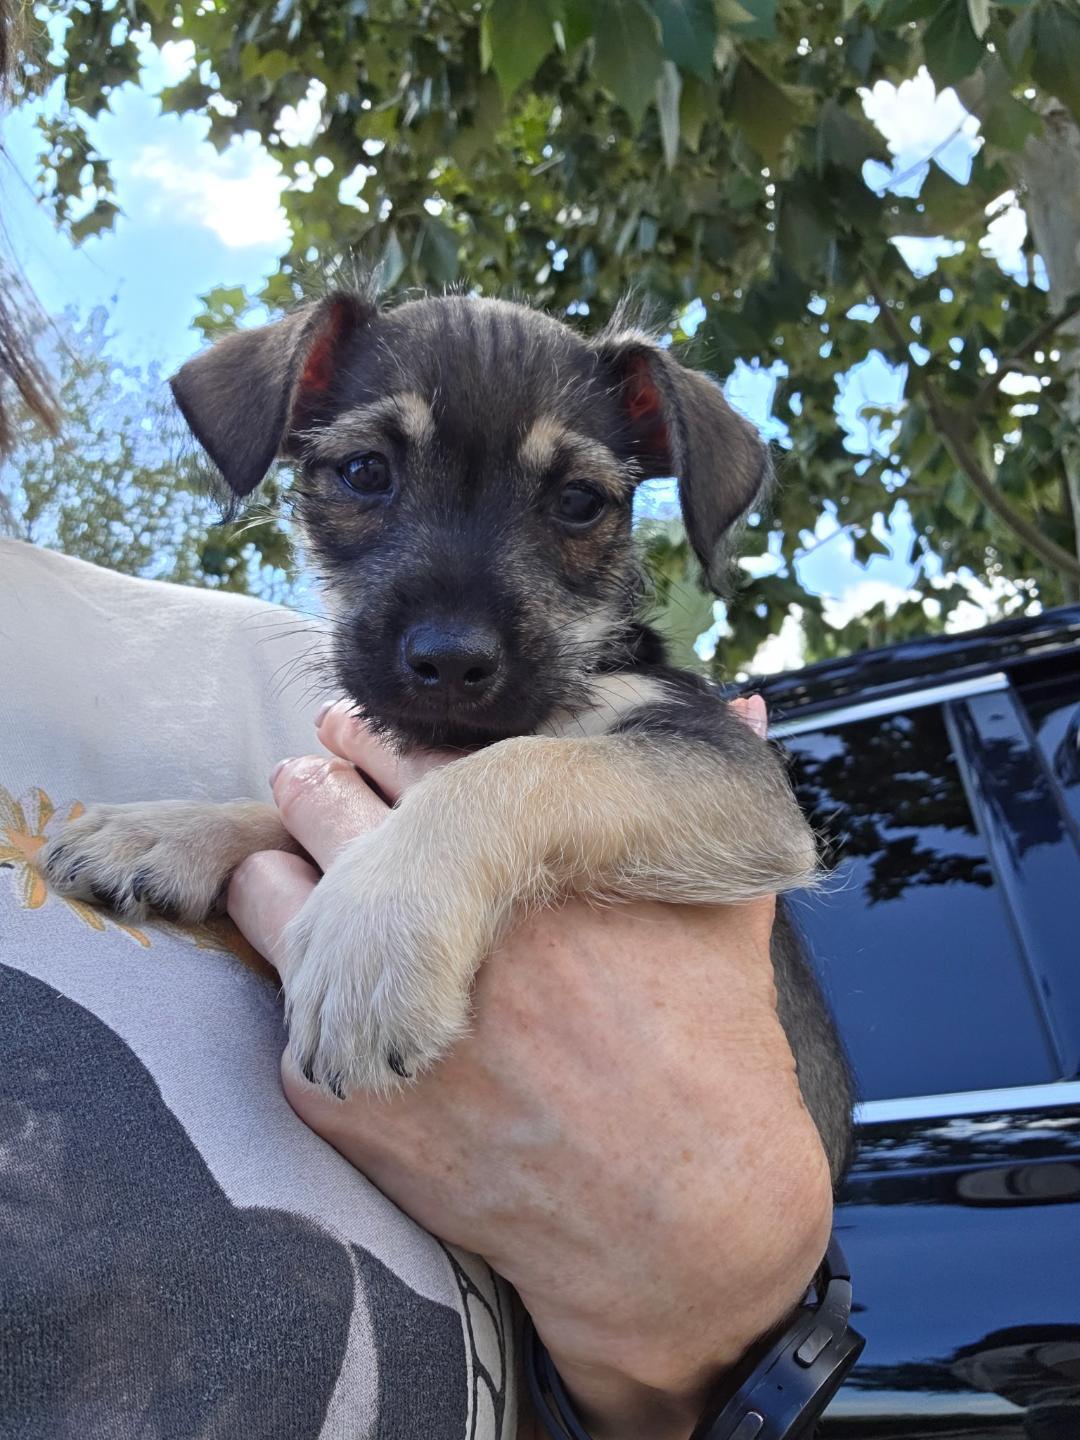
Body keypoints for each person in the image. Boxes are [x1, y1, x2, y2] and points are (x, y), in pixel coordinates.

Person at [0, 10, 834, 1436]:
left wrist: (471, 822)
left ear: (645, 485)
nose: (452, 625)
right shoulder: (288, 713)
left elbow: (753, 814)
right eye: (366, 480)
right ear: (287, 438)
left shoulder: (622, 712)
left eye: (572, 504)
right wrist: (248, 834)